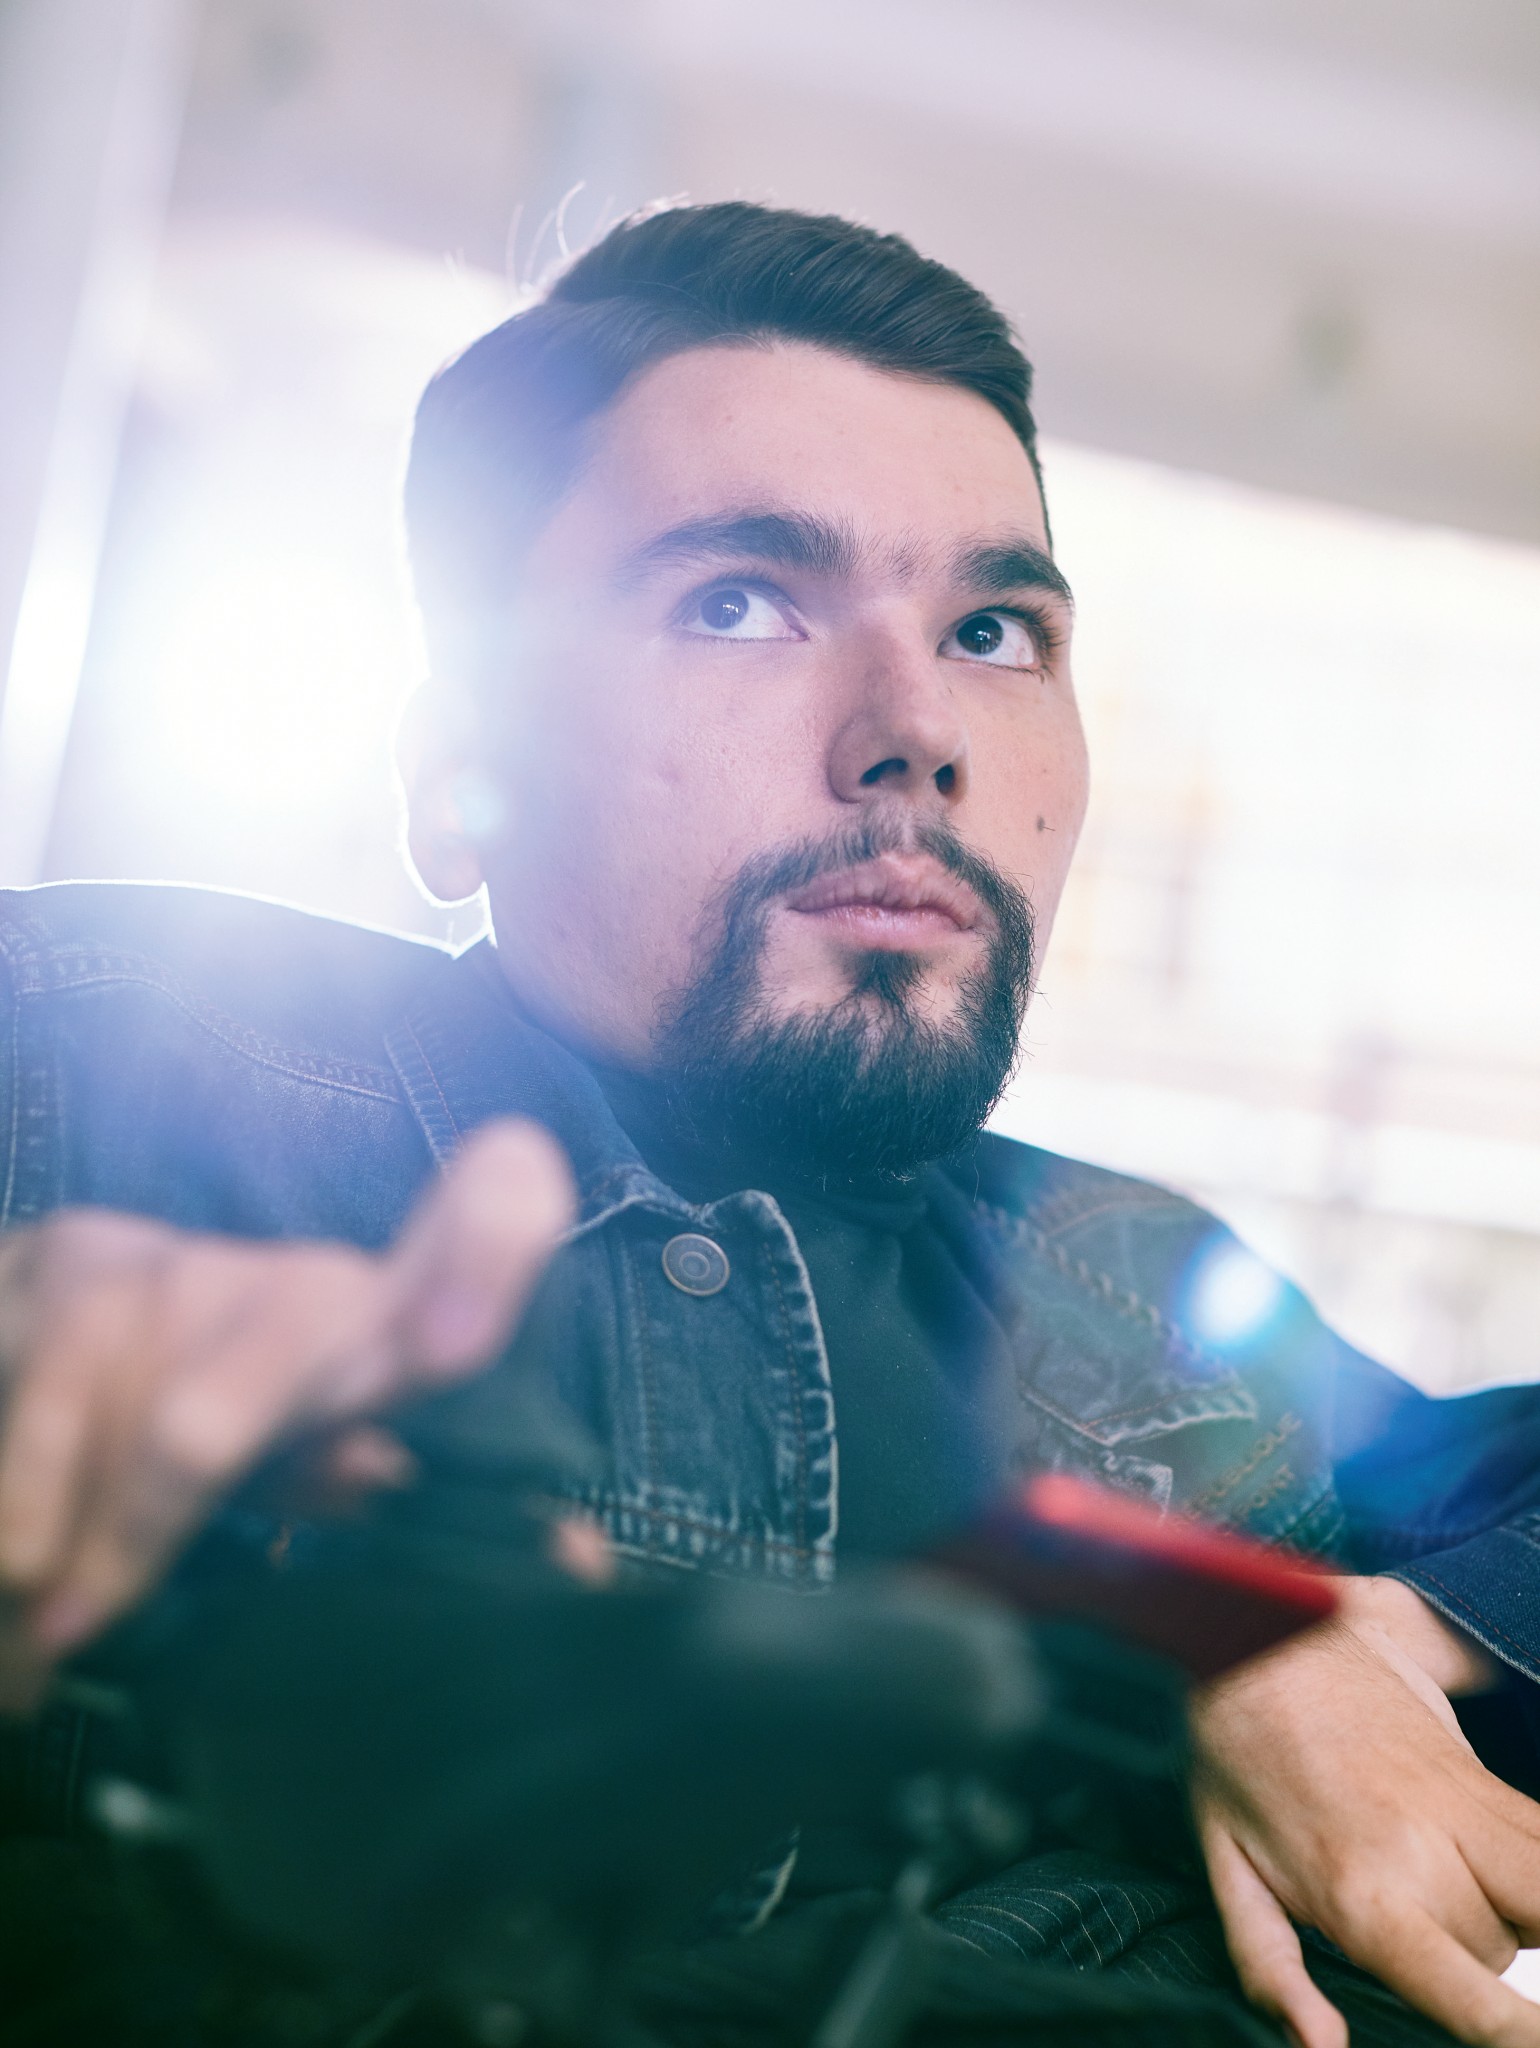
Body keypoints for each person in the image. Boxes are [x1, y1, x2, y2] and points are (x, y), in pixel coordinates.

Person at [0, 200, 1538, 2048]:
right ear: (455, 776)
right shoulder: (89, 1055)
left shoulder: (1143, 1291)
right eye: (738, 602)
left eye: (993, 630)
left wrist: (1303, 1636)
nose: (916, 732)